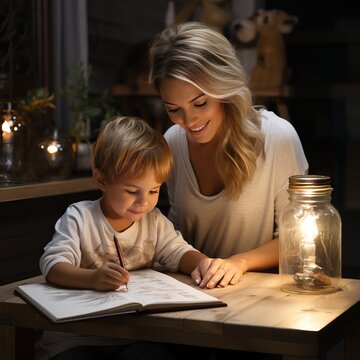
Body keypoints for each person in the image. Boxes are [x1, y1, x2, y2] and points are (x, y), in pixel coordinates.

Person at [38, 116, 229, 360]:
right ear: (101, 179)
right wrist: (93, 278)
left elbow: (179, 252)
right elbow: (53, 266)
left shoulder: (154, 221)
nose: (144, 202)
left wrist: (205, 263)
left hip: (136, 334)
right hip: (76, 336)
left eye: (154, 190)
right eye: (132, 191)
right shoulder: (80, 217)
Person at [148, 21, 308, 304]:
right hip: (192, 292)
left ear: (225, 89)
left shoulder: (277, 138)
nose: (189, 121)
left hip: (261, 298)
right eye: (174, 109)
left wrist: (239, 262)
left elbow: (297, 239)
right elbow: (176, 228)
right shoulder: (172, 141)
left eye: (200, 103)